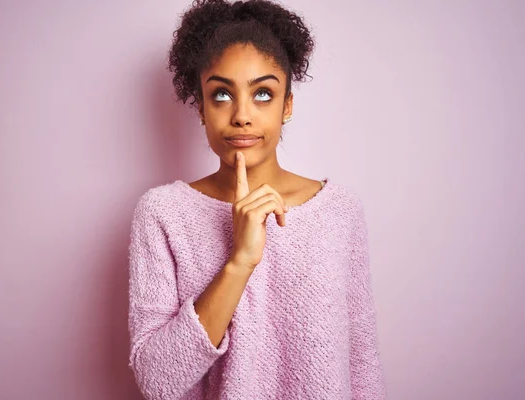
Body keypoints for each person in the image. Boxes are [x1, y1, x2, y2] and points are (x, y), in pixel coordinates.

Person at [127, 0, 386, 398]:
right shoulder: (162, 214)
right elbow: (157, 381)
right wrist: (240, 260)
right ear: (200, 107)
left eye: (263, 94)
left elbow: (362, 363)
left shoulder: (338, 211)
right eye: (221, 95)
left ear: (288, 106)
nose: (242, 115)